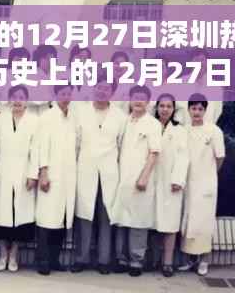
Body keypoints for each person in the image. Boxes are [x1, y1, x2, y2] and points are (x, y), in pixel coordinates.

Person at [71, 77, 126, 275]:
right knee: (85, 216)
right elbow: (76, 143)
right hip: (86, 169)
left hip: (109, 172)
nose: (102, 91)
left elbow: (121, 145)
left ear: (112, 92)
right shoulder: (81, 112)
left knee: (105, 217)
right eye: (99, 87)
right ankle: (81, 258)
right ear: (93, 88)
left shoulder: (120, 116)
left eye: (106, 88)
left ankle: (104, 260)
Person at [0, 85, 39, 272]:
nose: (18, 101)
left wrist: (33, 174)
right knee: (1, 213)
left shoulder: (34, 121)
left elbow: (36, 150)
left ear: (26, 101)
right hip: (2, 171)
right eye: (14, 97)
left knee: (20, 215)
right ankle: (2, 254)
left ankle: (14, 255)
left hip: (24, 171)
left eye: (21, 97)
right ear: (9, 100)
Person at [112, 85, 161, 277]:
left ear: (148, 102)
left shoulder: (153, 124)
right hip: (122, 178)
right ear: (130, 100)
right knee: (122, 220)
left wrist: (144, 177)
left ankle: (136, 261)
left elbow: (154, 152)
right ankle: (121, 259)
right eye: (135, 97)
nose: (138, 101)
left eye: (142, 98)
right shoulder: (125, 121)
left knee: (138, 222)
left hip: (141, 179)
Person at [178, 94, 226, 277]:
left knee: (204, 222)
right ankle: (190, 260)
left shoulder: (214, 130)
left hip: (206, 184)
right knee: (188, 221)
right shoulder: (184, 130)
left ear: (205, 111)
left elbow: (220, 157)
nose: (196, 112)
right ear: (188, 110)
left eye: (200, 109)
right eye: (193, 108)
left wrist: (210, 175)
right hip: (187, 183)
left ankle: (204, 260)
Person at [35, 84, 78, 275]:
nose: (66, 96)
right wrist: (43, 172)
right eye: (62, 93)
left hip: (68, 175)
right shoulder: (47, 117)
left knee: (61, 219)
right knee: (46, 219)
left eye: (69, 93)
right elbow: (41, 146)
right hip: (51, 174)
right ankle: (42, 260)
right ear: (55, 94)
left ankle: (54, 259)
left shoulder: (73, 117)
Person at [154, 94, 189, 277]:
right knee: (152, 222)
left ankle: (167, 263)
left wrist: (178, 179)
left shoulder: (180, 130)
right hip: (151, 181)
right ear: (156, 107)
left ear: (174, 109)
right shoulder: (150, 125)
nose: (165, 109)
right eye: (162, 106)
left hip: (170, 182)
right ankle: (152, 260)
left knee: (170, 223)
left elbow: (184, 157)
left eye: (168, 106)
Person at [175, 49, 223, 126]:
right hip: (183, 128)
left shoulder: (216, 87)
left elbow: (217, 112)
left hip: (206, 129)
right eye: (196, 60)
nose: (199, 63)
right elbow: (175, 109)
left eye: (202, 60)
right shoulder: (179, 83)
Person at [28, 45, 58, 116]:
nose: (53, 62)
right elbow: (36, 100)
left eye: (54, 59)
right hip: (35, 114)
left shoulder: (51, 76)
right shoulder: (32, 76)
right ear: (41, 59)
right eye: (50, 58)